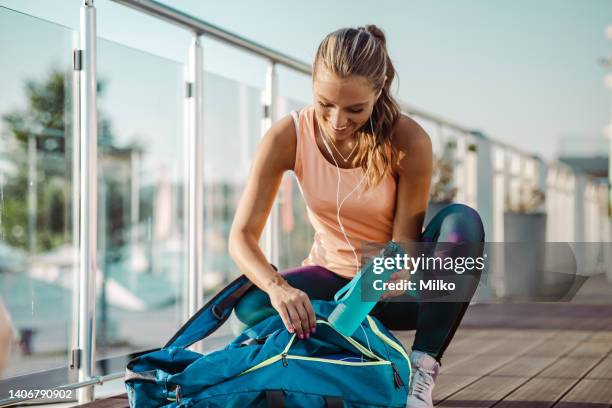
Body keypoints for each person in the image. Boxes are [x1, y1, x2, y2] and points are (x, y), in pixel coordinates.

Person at [228, 25, 485, 407]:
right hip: (331, 280)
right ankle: (337, 359)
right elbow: (241, 238)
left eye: (355, 109)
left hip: (395, 288)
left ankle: (420, 371)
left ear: (379, 88)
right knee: (251, 304)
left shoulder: (408, 139)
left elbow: (404, 249)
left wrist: (378, 283)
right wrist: (279, 288)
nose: (336, 121)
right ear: (312, 80)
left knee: (464, 222)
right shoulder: (287, 136)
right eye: (324, 103)